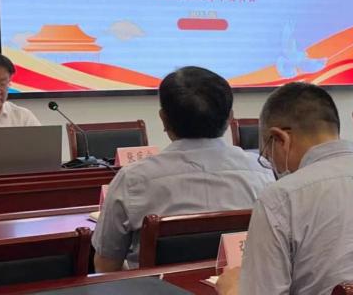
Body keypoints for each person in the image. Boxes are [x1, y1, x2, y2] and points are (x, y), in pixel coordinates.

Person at [217, 83, 353, 295]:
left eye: (267, 153)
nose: (273, 165)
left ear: (281, 139)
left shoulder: (280, 199)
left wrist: (232, 290)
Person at [92, 66, 274, 272]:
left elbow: (106, 266)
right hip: (238, 284)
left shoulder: (133, 180)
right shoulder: (263, 173)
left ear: (163, 119)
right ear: (230, 118)